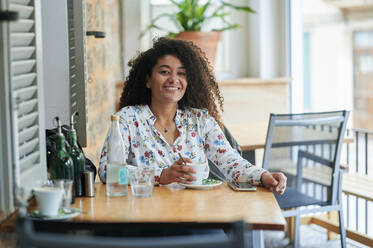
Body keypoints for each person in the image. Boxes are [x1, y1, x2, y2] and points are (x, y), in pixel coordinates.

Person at [98, 37, 286, 195]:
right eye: (164, 72)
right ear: (148, 80)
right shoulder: (127, 119)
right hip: (147, 219)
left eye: (182, 73)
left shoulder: (201, 120)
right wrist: (161, 175)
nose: (173, 79)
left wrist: (263, 176)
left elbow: (231, 162)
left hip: (199, 215)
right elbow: (108, 171)